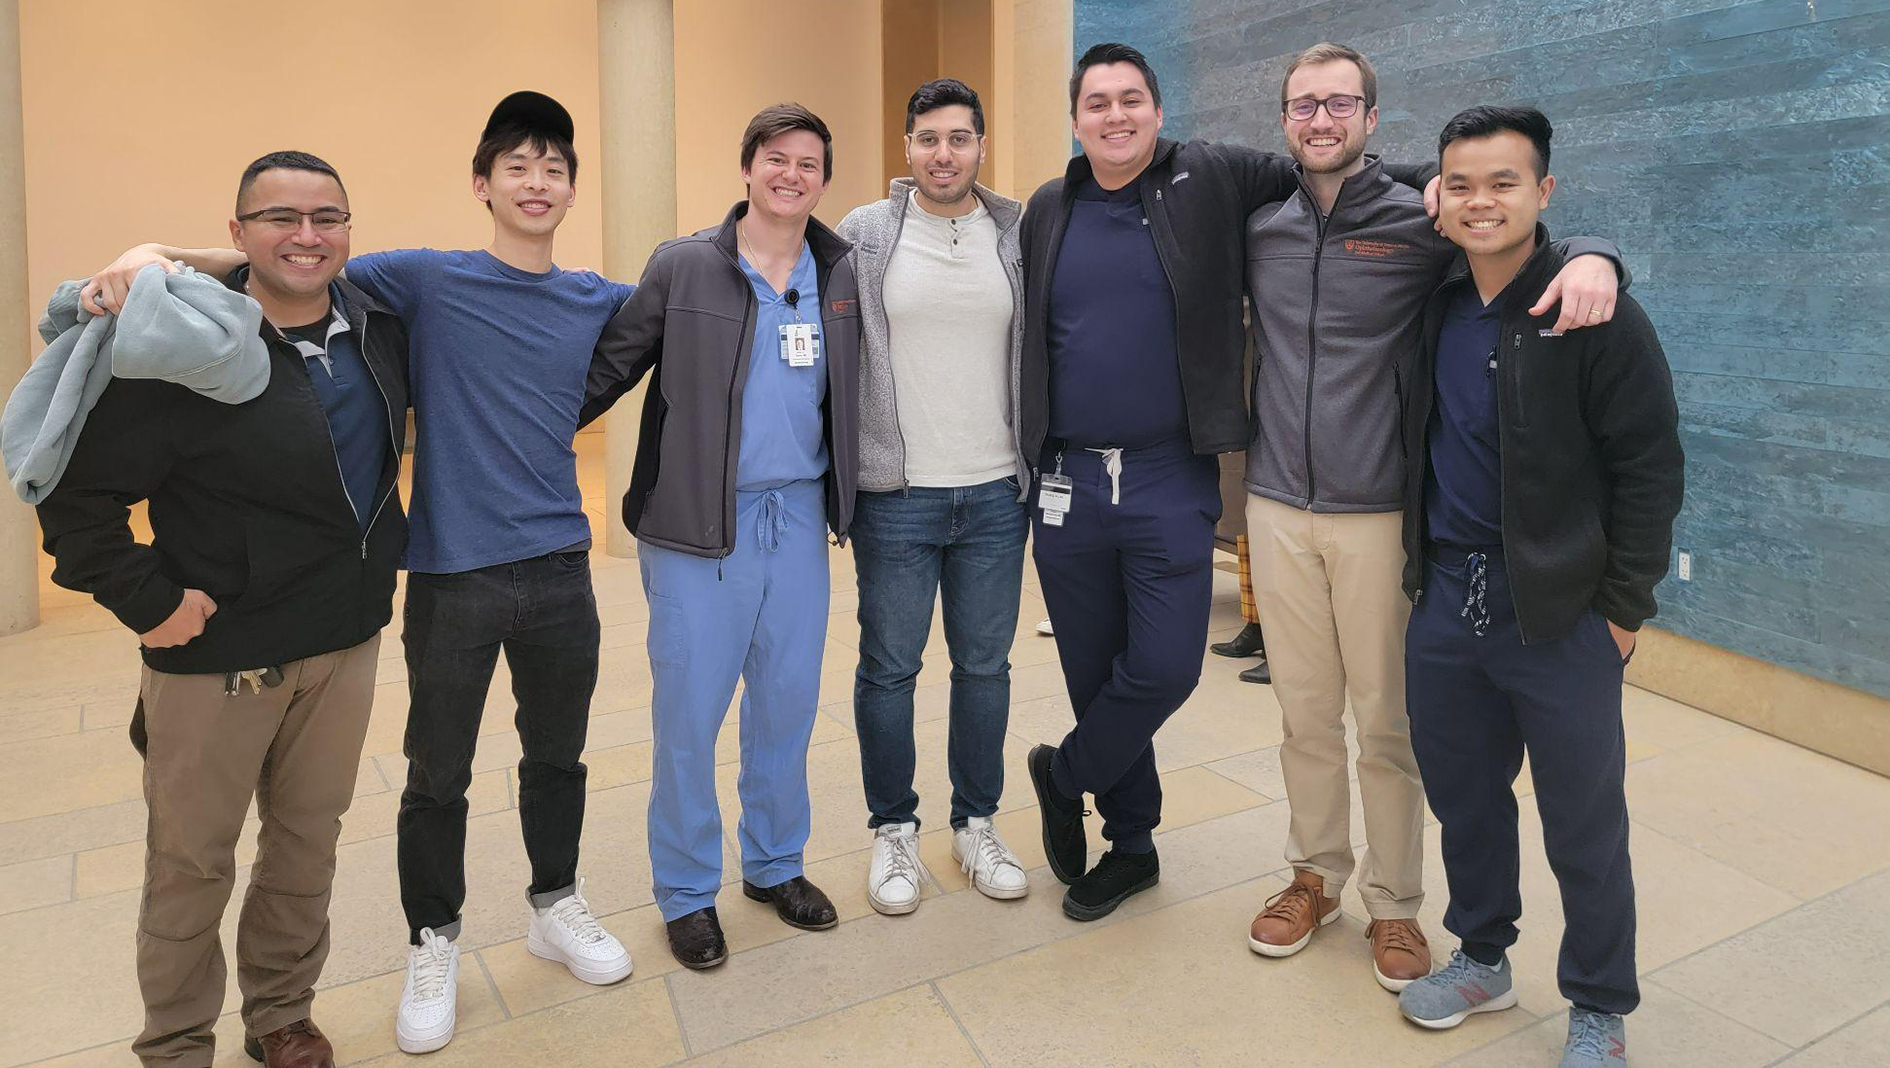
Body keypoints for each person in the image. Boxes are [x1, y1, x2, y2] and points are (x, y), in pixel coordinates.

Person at [83, 92, 636, 1055]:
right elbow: (287, 259)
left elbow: (700, 311)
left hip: (554, 568)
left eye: (554, 168)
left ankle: (555, 903)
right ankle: (434, 937)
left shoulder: (596, 296)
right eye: (516, 165)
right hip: (450, 574)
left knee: (554, 758)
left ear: (573, 188)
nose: (536, 182)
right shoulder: (417, 279)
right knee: (437, 773)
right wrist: (150, 257)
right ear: (482, 184)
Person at [1018, 42, 1436, 922]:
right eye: (1097, 102)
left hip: (1172, 470)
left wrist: (1445, 183)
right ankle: (1132, 846)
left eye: (1132, 99)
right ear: (1075, 117)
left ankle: (1067, 773)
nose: (1116, 115)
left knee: (1165, 666)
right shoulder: (1047, 208)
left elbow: (1332, 163)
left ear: (1160, 112)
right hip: (1069, 480)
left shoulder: (1206, 176)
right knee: (1097, 672)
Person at [1239, 42, 1626, 994]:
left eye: (1339, 103)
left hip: (1380, 514)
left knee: (1387, 720)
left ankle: (1396, 905)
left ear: (1372, 117)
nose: (1320, 119)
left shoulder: (1421, 220)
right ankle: (1313, 875)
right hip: (1276, 506)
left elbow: (1517, 223)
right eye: (1302, 105)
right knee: (1301, 715)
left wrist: (1595, 254)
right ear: (1284, 118)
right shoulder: (1262, 226)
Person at [36, 151, 407, 1068]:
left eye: (328, 217)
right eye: (279, 218)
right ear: (236, 234)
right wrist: (148, 603)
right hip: (219, 654)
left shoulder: (377, 331)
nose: (307, 235)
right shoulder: (185, 353)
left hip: (344, 638)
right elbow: (74, 500)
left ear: (350, 232)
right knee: (191, 864)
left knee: (305, 844)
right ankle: (175, 1042)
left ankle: (281, 1013)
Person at [1392, 106, 1682, 1068]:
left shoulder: (1593, 309)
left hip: (1560, 615)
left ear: (1545, 192)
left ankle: (1599, 1003)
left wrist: (1624, 611)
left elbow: (1649, 467)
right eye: (1460, 185)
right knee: (1466, 799)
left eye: (1504, 183)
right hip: (1445, 601)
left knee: (1584, 821)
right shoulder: (1435, 298)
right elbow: (1348, 165)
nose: (1482, 202)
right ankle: (1482, 955)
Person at [580, 103, 862, 969]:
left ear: (823, 178)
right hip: (698, 528)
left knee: (785, 706)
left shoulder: (837, 269)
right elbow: (607, 368)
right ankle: (687, 890)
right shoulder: (685, 266)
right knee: (690, 716)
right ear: (747, 167)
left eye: (809, 163)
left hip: (797, 522)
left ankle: (775, 865)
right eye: (775, 159)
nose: (791, 175)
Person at [836, 78, 1032, 915]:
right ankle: (893, 832)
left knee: (984, 668)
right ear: (906, 148)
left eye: (959, 138)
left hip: (995, 492)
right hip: (898, 495)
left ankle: (977, 822)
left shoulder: (1021, 229)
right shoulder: (866, 233)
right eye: (927, 139)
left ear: (981, 145)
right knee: (889, 669)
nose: (943, 153)